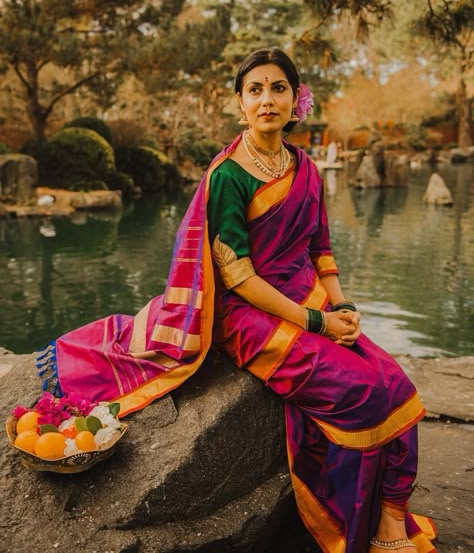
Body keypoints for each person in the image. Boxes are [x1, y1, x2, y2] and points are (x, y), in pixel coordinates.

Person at [36, 48, 437, 553]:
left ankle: (391, 522)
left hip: (308, 299)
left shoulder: (305, 167)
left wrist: (341, 306)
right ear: (240, 104)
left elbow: (321, 248)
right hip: (248, 315)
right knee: (361, 390)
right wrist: (317, 322)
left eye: (277, 88)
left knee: (397, 382)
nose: (266, 99)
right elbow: (239, 276)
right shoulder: (228, 176)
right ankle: (353, 525)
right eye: (255, 90)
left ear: (296, 100)